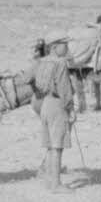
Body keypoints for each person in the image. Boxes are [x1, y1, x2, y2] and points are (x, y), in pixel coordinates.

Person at [34, 31, 78, 193]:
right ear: (54, 47)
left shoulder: (42, 61)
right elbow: (64, 89)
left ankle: (49, 180)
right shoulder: (60, 63)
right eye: (64, 44)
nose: (66, 47)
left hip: (45, 103)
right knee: (58, 146)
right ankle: (56, 184)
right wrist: (71, 108)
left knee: (50, 145)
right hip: (58, 105)